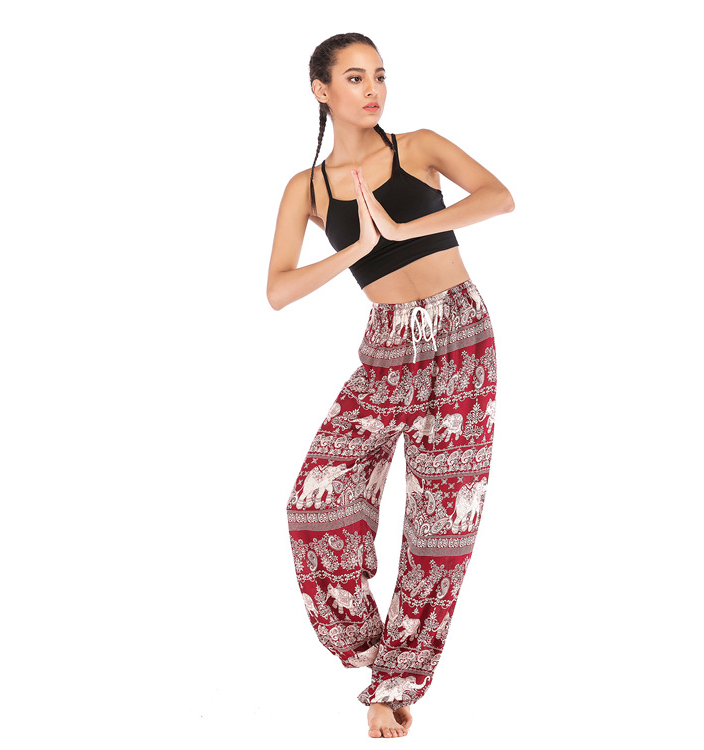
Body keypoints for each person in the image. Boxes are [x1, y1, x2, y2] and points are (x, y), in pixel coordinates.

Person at [266, 32, 514, 739]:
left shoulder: (418, 146)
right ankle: (384, 656)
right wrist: (356, 249)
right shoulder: (308, 188)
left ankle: (395, 687)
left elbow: (499, 197)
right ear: (321, 90)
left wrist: (408, 227)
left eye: (379, 74)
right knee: (314, 505)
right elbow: (278, 289)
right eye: (354, 77)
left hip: (460, 334)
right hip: (386, 345)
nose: (372, 88)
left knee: (442, 522)